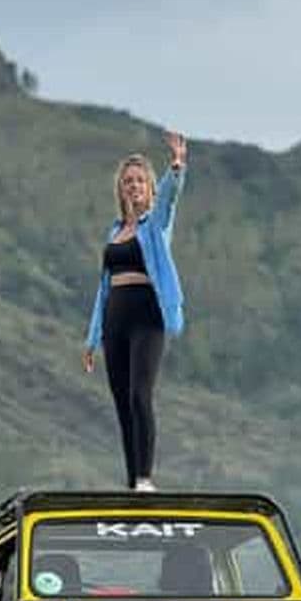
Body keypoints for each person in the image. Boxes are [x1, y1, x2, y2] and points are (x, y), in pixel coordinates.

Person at [83, 131, 187, 490]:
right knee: (122, 401)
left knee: (141, 394)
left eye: (140, 180)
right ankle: (132, 482)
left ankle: (145, 477)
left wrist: (176, 167)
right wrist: (92, 338)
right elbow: (103, 288)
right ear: (120, 189)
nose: (134, 186)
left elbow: (170, 200)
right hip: (115, 317)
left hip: (147, 315)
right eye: (128, 181)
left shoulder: (156, 226)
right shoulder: (115, 232)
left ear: (150, 186)